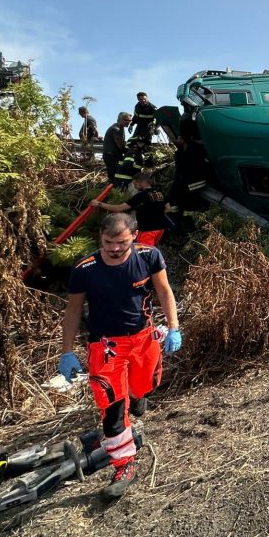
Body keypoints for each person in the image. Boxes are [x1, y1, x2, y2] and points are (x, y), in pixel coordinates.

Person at [57, 212, 182, 499]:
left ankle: (138, 396)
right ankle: (123, 465)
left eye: (121, 242)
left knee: (144, 387)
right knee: (112, 408)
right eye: (107, 242)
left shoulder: (149, 256)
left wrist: (173, 326)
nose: (114, 248)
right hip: (105, 346)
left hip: (143, 339)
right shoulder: (85, 269)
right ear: (100, 238)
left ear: (135, 236)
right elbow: (73, 310)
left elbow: (163, 291)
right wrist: (66, 352)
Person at [91, 172, 169, 246]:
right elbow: (168, 208)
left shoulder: (141, 195)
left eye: (135, 184)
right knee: (151, 252)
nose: (135, 187)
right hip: (160, 229)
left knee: (144, 254)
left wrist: (98, 203)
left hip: (148, 230)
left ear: (141, 182)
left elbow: (119, 208)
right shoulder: (159, 193)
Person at [103, 112, 132, 185]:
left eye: (129, 121)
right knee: (114, 177)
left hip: (114, 156)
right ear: (120, 119)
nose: (128, 122)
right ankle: (112, 192)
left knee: (117, 175)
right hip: (111, 156)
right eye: (126, 120)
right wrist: (131, 152)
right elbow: (120, 146)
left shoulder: (120, 128)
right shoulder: (116, 129)